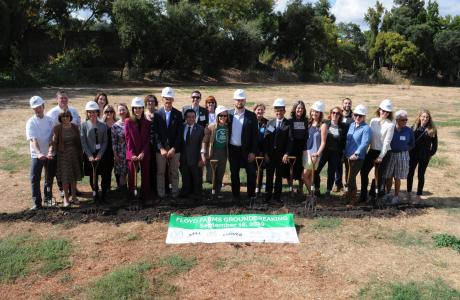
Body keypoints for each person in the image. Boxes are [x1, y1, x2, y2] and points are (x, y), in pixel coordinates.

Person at [46, 91, 81, 199]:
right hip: (60, 147)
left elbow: (78, 125)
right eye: (61, 98)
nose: (63, 100)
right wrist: (51, 148)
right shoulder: (51, 113)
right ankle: (62, 189)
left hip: (73, 146)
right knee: (62, 170)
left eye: (65, 98)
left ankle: (73, 190)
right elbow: (50, 132)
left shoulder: (74, 111)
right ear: (57, 99)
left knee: (73, 169)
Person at [360, 99, 394, 203]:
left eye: (387, 112)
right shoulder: (373, 121)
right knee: (364, 171)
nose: (384, 113)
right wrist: (364, 150)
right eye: (382, 110)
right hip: (372, 150)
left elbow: (386, 142)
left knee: (379, 175)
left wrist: (381, 156)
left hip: (384, 153)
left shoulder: (390, 125)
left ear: (389, 113)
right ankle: (363, 195)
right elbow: (369, 138)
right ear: (379, 110)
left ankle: (375, 196)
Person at [228, 89, 258, 203]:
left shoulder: (251, 116)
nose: (239, 101)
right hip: (233, 149)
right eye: (237, 100)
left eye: (241, 99)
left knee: (251, 173)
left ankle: (251, 196)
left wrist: (253, 152)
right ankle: (236, 196)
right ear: (234, 101)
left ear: (245, 100)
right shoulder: (228, 114)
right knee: (234, 173)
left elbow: (255, 136)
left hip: (247, 151)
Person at [26, 96, 55, 210]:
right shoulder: (31, 122)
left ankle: (48, 200)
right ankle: (37, 203)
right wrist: (38, 154)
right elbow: (33, 140)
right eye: (35, 108)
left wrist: (50, 151)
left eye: (39, 107)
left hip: (49, 154)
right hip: (36, 155)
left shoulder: (50, 121)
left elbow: (53, 137)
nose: (37, 110)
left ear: (43, 106)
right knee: (34, 178)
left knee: (49, 177)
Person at [50, 110, 83, 207]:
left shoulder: (74, 127)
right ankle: (66, 198)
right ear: (60, 118)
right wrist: (50, 151)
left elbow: (78, 140)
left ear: (70, 117)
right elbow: (54, 141)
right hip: (63, 155)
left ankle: (74, 196)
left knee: (73, 176)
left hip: (74, 155)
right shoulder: (57, 128)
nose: (65, 118)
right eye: (63, 116)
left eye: (67, 116)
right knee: (65, 177)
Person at [155, 87, 183, 199]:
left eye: (170, 98)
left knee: (174, 172)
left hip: (174, 150)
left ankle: (175, 193)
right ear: (162, 99)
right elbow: (155, 133)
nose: (168, 100)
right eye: (166, 98)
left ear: (173, 99)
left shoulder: (178, 114)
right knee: (160, 172)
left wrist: (174, 148)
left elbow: (180, 134)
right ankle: (161, 193)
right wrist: (161, 148)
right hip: (160, 150)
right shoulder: (157, 115)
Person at [263, 98, 293, 202]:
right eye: (277, 110)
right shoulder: (270, 123)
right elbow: (266, 139)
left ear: (284, 111)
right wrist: (266, 153)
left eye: (281, 110)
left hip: (281, 156)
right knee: (269, 176)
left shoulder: (288, 124)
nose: (278, 112)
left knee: (279, 177)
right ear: (274, 112)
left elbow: (290, 141)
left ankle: (277, 197)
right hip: (270, 155)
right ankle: (267, 196)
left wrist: (286, 153)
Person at [314, 106, 347, 197]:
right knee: (316, 170)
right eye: (333, 112)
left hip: (335, 153)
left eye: (337, 113)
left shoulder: (343, 127)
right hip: (324, 152)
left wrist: (343, 154)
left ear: (340, 115)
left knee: (331, 172)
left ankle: (328, 191)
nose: (335, 115)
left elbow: (344, 141)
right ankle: (317, 189)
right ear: (330, 114)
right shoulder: (325, 123)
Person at [383, 110, 415, 204]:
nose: (405, 121)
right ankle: (387, 193)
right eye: (403, 120)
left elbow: (412, 144)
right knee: (388, 175)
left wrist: (404, 148)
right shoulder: (391, 128)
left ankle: (396, 196)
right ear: (397, 120)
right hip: (390, 154)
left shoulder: (408, 131)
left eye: (406, 120)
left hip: (402, 155)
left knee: (397, 177)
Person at [407, 109, 438, 203]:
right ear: (419, 117)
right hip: (413, 154)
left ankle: (418, 195)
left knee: (421, 175)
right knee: (410, 173)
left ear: (429, 118)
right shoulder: (414, 128)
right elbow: (409, 141)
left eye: (427, 117)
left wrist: (431, 154)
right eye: (423, 116)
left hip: (424, 156)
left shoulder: (432, 130)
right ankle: (408, 192)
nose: (425, 118)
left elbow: (435, 144)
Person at [81, 101, 108, 203]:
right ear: (87, 113)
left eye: (94, 112)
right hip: (90, 155)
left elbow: (105, 141)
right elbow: (83, 142)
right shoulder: (83, 125)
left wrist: (100, 154)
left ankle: (104, 194)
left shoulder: (103, 125)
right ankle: (95, 193)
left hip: (101, 155)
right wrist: (89, 155)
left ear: (97, 112)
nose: (92, 114)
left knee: (104, 175)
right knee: (93, 176)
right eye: (90, 112)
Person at [125, 97, 152, 204]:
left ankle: (145, 195)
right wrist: (132, 154)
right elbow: (128, 139)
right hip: (132, 153)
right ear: (132, 109)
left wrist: (143, 153)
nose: (137, 110)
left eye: (139, 108)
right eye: (135, 108)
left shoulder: (147, 122)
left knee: (145, 174)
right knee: (132, 175)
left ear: (143, 108)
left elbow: (147, 141)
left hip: (144, 153)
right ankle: (132, 196)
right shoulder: (128, 121)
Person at [344, 104, 371, 206]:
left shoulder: (366, 128)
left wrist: (356, 153)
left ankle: (353, 199)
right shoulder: (351, 125)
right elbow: (348, 140)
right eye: (356, 115)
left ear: (364, 117)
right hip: (347, 156)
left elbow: (365, 143)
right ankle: (349, 195)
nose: (357, 117)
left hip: (357, 158)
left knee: (351, 178)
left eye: (360, 116)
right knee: (348, 176)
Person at [201, 105, 229, 198]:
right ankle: (211, 192)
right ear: (217, 116)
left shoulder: (227, 127)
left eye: (225, 116)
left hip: (223, 153)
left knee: (220, 174)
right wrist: (203, 153)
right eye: (221, 116)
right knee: (212, 174)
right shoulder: (211, 127)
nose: (223, 118)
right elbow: (205, 141)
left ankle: (216, 193)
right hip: (213, 153)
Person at [179, 109, 205, 202]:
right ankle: (186, 193)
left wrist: (201, 158)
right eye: (189, 117)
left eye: (193, 117)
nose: (191, 119)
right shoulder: (181, 128)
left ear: (195, 118)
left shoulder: (200, 129)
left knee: (196, 177)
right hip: (184, 158)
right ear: (185, 118)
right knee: (185, 177)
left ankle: (197, 194)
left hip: (196, 158)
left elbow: (202, 145)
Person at [302, 101, 327, 196]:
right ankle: (312, 197)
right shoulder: (309, 123)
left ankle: (312, 196)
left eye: (317, 112)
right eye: (313, 111)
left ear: (320, 113)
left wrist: (318, 154)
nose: (314, 113)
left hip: (314, 154)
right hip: (306, 152)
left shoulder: (322, 125)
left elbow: (323, 142)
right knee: (309, 176)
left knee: (304, 176)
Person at [289, 100, 308, 194]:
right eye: (298, 108)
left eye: (301, 108)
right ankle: (291, 188)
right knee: (291, 168)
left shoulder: (306, 121)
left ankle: (300, 188)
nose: (300, 110)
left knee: (301, 168)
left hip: (302, 148)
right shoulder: (290, 120)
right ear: (294, 109)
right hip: (292, 147)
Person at [335, 97, 353, 192]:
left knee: (347, 165)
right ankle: (338, 184)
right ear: (342, 104)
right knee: (338, 165)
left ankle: (347, 184)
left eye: (349, 103)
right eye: (345, 103)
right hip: (338, 144)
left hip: (349, 145)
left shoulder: (354, 116)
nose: (347, 105)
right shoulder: (338, 115)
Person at [112, 103, 129, 192]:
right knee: (122, 173)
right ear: (118, 112)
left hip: (130, 152)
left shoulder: (131, 122)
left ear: (126, 110)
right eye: (120, 110)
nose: (122, 112)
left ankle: (132, 190)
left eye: (123, 109)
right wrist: (115, 155)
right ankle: (123, 191)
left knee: (130, 172)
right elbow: (114, 142)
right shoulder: (115, 126)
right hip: (120, 153)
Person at [145, 94, 159, 198]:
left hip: (157, 145)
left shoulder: (159, 114)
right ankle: (148, 188)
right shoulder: (143, 115)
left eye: (153, 101)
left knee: (158, 167)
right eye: (149, 101)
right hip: (146, 145)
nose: (150, 103)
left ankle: (157, 187)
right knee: (148, 167)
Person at [101, 105, 116, 197]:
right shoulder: (101, 124)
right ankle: (105, 188)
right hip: (105, 150)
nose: (109, 113)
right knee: (106, 170)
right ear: (104, 113)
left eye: (111, 111)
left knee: (116, 170)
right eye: (107, 112)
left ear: (113, 113)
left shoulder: (117, 122)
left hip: (116, 149)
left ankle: (120, 188)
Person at [253, 103, 268, 195]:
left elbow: (267, 138)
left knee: (261, 169)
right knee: (252, 170)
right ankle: (253, 187)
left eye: (262, 110)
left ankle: (258, 188)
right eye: (258, 109)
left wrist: (264, 152)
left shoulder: (266, 122)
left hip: (262, 150)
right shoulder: (251, 121)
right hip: (252, 150)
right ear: (254, 110)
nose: (260, 111)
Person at [203, 95, 218, 183]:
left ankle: (213, 178)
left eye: (212, 102)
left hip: (215, 139)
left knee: (214, 157)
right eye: (209, 102)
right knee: (205, 157)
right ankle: (207, 178)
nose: (211, 104)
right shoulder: (204, 113)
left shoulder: (217, 113)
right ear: (206, 104)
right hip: (205, 139)